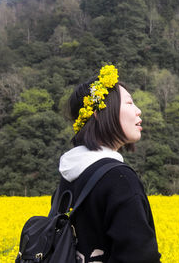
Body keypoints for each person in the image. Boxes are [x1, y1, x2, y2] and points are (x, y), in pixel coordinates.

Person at [57, 65, 161, 263]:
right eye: (129, 103)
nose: (138, 111)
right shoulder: (119, 179)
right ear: (98, 113)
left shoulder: (69, 175)